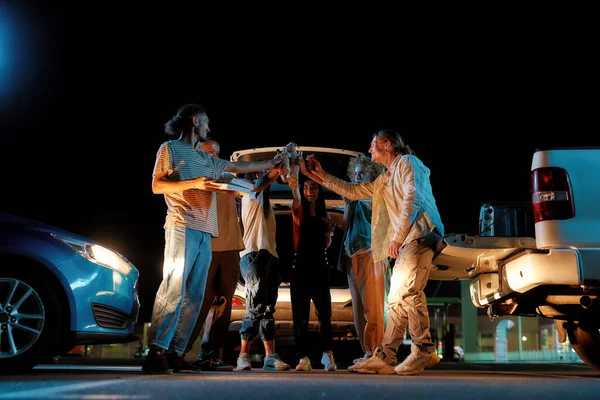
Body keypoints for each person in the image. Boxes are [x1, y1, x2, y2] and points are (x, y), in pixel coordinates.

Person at [143, 104, 281, 374]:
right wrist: (194, 184)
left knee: (194, 296)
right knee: (174, 288)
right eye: (206, 122)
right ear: (195, 121)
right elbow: (157, 186)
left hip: (207, 232)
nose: (209, 127)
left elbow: (243, 171)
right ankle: (156, 352)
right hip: (182, 225)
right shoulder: (169, 149)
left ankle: (176, 353)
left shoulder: (209, 161)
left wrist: (272, 164)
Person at [303, 129, 445, 376]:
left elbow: (413, 198)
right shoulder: (385, 179)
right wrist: (320, 175)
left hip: (420, 234)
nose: (369, 150)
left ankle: (424, 350)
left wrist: (397, 237)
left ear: (387, 145)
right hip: (407, 239)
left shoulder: (408, 163)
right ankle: (386, 356)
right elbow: (353, 191)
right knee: (395, 300)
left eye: (373, 145)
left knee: (408, 291)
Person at [181, 138, 243, 371]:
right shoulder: (192, 177)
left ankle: (208, 355)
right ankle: (180, 351)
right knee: (198, 302)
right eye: (208, 151)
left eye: (216, 152)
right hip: (204, 246)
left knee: (224, 304)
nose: (213, 156)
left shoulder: (227, 177)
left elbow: (253, 189)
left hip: (230, 247)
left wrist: (272, 172)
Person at [235, 166, 291, 371]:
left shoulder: (268, 205)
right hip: (253, 254)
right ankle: (243, 356)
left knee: (268, 309)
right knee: (254, 307)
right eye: (257, 172)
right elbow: (263, 182)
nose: (260, 175)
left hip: (270, 255)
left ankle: (270, 356)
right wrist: (276, 166)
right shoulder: (249, 192)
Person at [336, 155, 387, 371]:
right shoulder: (352, 198)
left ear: (372, 174)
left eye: (362, 173)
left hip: (370, 253)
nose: (357, 176)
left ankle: (377, 352)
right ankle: (366, 351)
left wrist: (350, 197)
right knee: (358, 309)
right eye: (354, 173)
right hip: (351, 254)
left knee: (373, 307)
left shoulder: (375, 194)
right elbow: (348, 226)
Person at [290, 177, 337, 372]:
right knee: (300, 315)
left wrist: (328, 232)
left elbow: (326, 245)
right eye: (306, 187)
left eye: (314, 187)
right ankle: (303, 358)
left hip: (319, 266)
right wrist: (295, 181)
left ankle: (328, 355)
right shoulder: (298, 209)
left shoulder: (325, 215)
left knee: (324, 313)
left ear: (319, 191)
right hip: (300, 266)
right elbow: (295, 195)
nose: (310, 191)